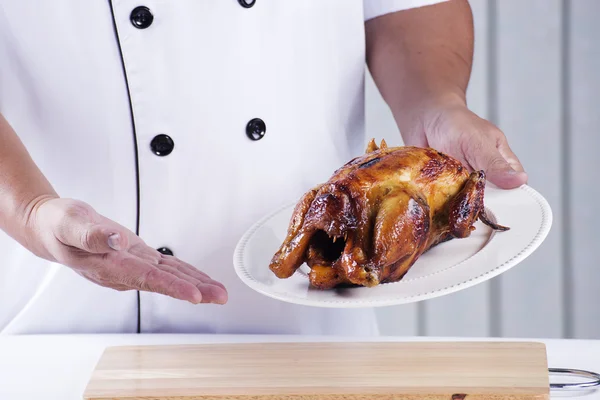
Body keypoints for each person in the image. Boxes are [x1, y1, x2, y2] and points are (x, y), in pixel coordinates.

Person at [0, 0, 527, 335]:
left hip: (309, 327)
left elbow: (411, 6)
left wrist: (436, 104)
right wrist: (29, 209)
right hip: (59, 321)